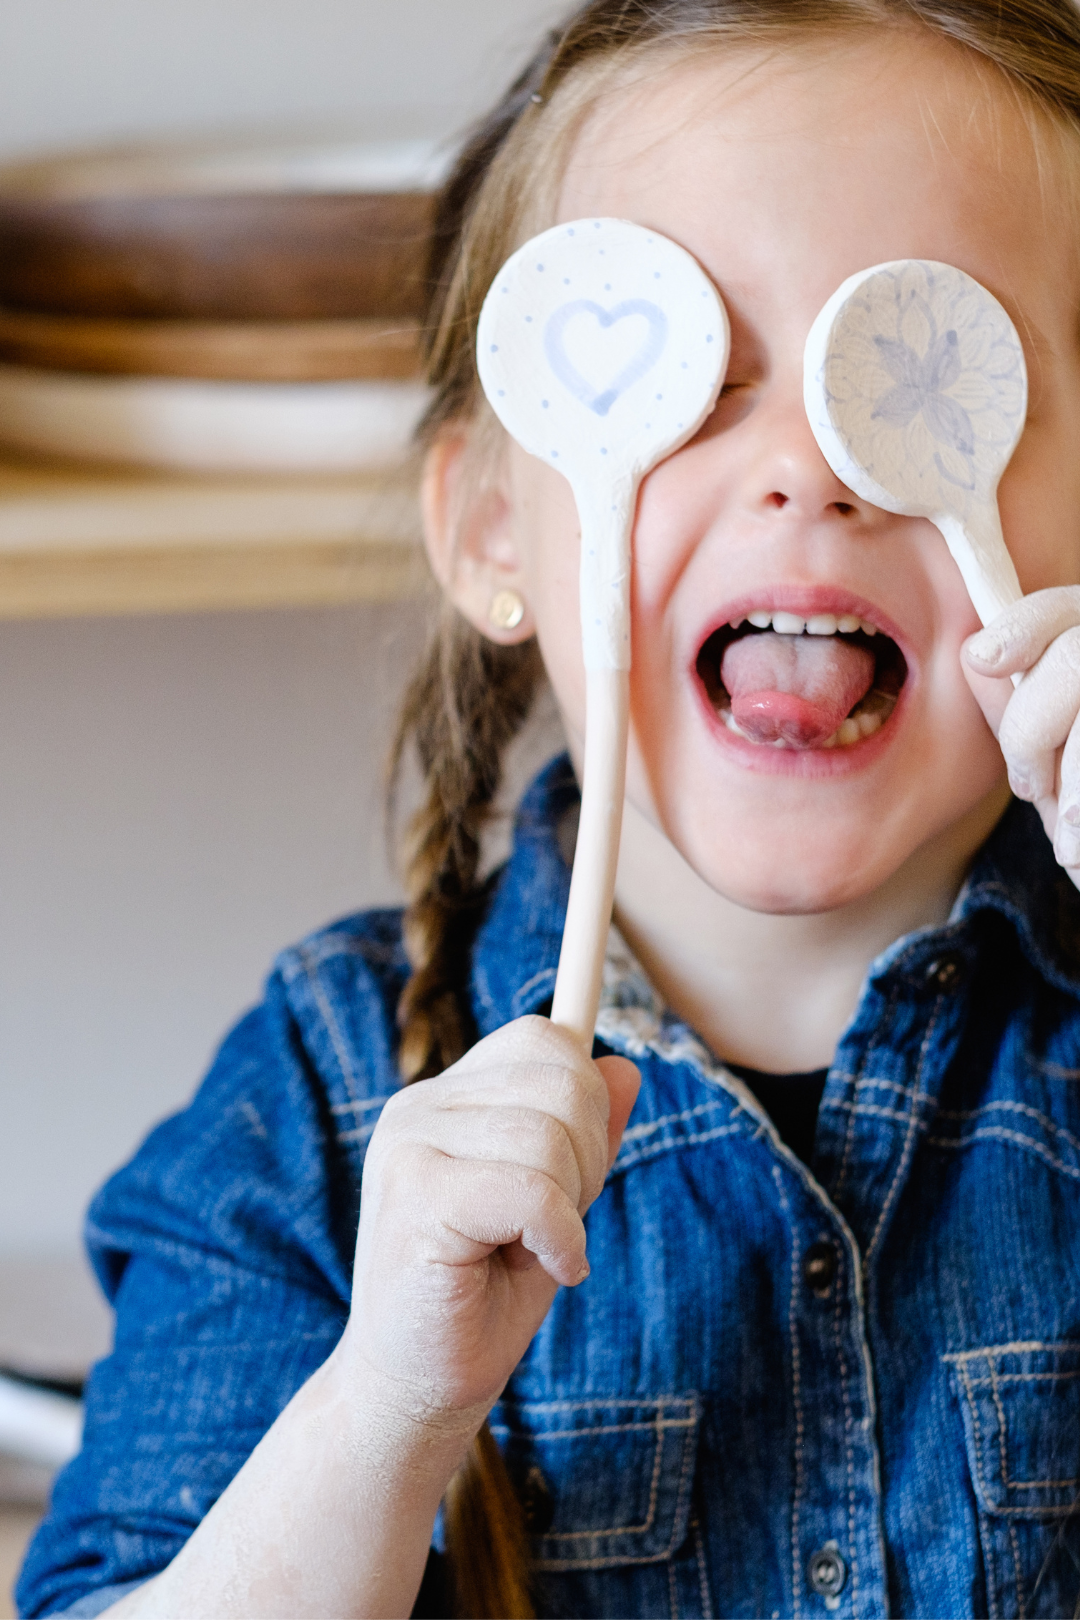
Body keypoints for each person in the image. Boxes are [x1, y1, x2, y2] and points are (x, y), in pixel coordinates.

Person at [17, 1, 1080, 1615]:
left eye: (920, 371)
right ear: (496, 533)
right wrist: (389, 1408)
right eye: (691, 382)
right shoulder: (319, 1097)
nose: (810, 466)